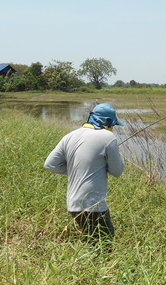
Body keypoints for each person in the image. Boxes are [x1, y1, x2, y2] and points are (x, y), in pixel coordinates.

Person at [44, 103, 125, 249]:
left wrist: (79, 170)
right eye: (113, 125)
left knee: (91, 242)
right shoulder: (108, 137)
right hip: (93, 205)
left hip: (73, 204)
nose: (113, 128)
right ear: (107, 122)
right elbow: (117, 172)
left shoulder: (70, 136)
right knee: (105, 245)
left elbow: (50, 164)